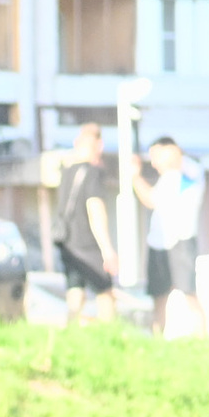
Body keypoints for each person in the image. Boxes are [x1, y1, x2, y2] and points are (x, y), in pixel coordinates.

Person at [132, 137, 208, 339]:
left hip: (181, 242)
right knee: (159, 297)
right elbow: (151, 200)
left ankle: (202, 340)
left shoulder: (191, 172)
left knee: (189, 294)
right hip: (158, 244)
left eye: (156, 155)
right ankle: (157, 340)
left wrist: (136, 176)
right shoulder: (166, 179)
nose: (153, 162)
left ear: (170, 151)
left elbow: (151, 199)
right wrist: (135, 177)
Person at [52, 122, 119, 327]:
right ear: (99, 145)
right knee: (105, 293)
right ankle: (109, 335)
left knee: (75, 292)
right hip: (88, 244)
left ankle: (70, 333)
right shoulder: (92, 173)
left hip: (67, 242)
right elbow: (95, 210)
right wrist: (107, 249)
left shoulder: (67, 171)